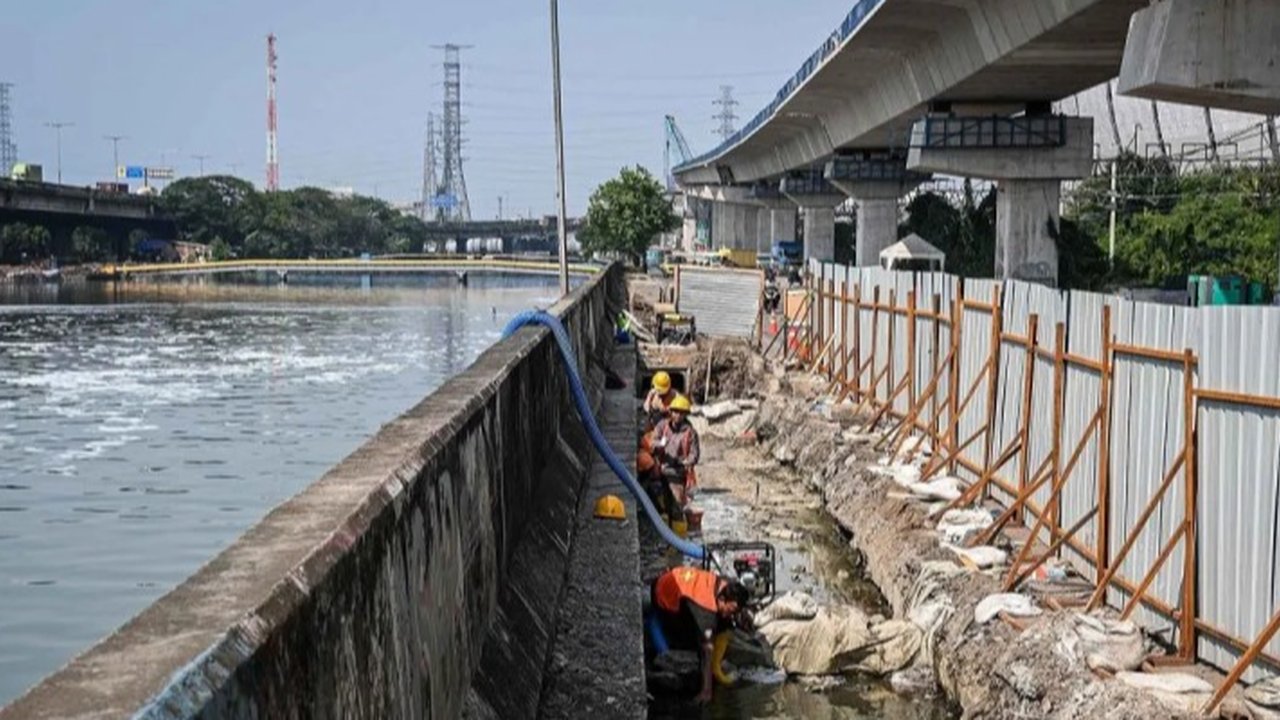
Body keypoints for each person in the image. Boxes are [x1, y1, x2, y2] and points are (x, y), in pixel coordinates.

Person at [648, 566, 752, 704]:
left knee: (723, 621)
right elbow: (706, 650)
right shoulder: (705, 608)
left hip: (673, 578)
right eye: (731, 609)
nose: (731, 614)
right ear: (721, 599)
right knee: (700, 641)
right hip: (661, 595)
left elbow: (729, 609)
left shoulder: (724, 583)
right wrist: (706, 690)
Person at [651, 394, 700, 510]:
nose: (678, 415)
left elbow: (695, 454)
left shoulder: (690, 432)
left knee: (677, 506)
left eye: (681, 413)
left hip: (677, 474)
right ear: (671, 412)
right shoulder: (663, 426)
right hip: (661, 471)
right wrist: (660, 443)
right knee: (659, 505)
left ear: (685, 415)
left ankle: (676, 526)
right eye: (675, 412)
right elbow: (652, 441)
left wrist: (687, 461)